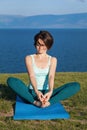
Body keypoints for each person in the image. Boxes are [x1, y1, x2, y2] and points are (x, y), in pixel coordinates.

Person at [7, 30, 80, 108]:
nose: (40, 48)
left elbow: (51, 76)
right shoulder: (29, 58)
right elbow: (32, 76)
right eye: (38, 44)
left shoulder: (53, 59)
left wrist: (50, 91)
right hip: (33, 92)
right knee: (11, 80)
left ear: (48, 46)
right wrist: (37, 91)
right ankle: (35, 102)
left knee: (76, 86)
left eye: (43, 45)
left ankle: (48, 102)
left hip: (47, 94)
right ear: (35, 44)